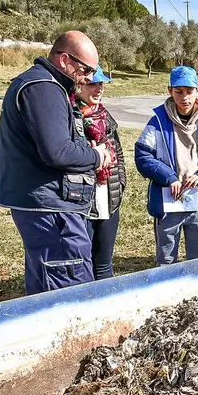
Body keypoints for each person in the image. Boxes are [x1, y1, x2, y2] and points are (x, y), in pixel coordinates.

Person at [0, 31, 113, 295]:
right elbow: (56, 151)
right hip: (52, 212)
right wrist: (97, 157)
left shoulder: (41, 84)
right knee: (68, 291)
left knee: (44, 285)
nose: (90, 77)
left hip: (45, 206)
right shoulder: (44, 88)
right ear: (65, 60)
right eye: (86, 69)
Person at [134, 66, 198, 265]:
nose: (184, 97)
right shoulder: (157, 124)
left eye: (189, 91)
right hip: (168, 201)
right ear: (169, 91)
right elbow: (142, 156)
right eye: (179, 91)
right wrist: (169, 177)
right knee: (165, 261)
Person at [76, 66, 126, 279]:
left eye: (101, 84)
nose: (98, 89)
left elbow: (120, 157)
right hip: (82, 202)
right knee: (81, 264)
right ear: (78, 84)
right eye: (92, 84)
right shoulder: (70, 117)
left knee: (104, 264)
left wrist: (119, 184)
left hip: (108, 199)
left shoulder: (105, 117)